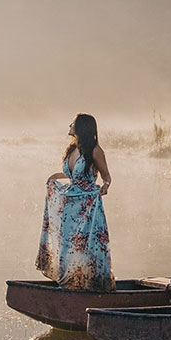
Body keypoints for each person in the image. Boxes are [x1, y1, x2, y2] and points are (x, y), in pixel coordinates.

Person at [35, 113, 114, 290]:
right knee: (66, 245)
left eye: (73, 123)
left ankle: (91, 285)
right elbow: (75, 174)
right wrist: (59, 175)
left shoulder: (95, 150)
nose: (69, 125)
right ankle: (67, 282)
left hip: (87, 207)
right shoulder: (72, 149)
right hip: (69, 206)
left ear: (81, 128)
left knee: (86, 245)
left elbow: (106, 175)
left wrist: (106, 185)